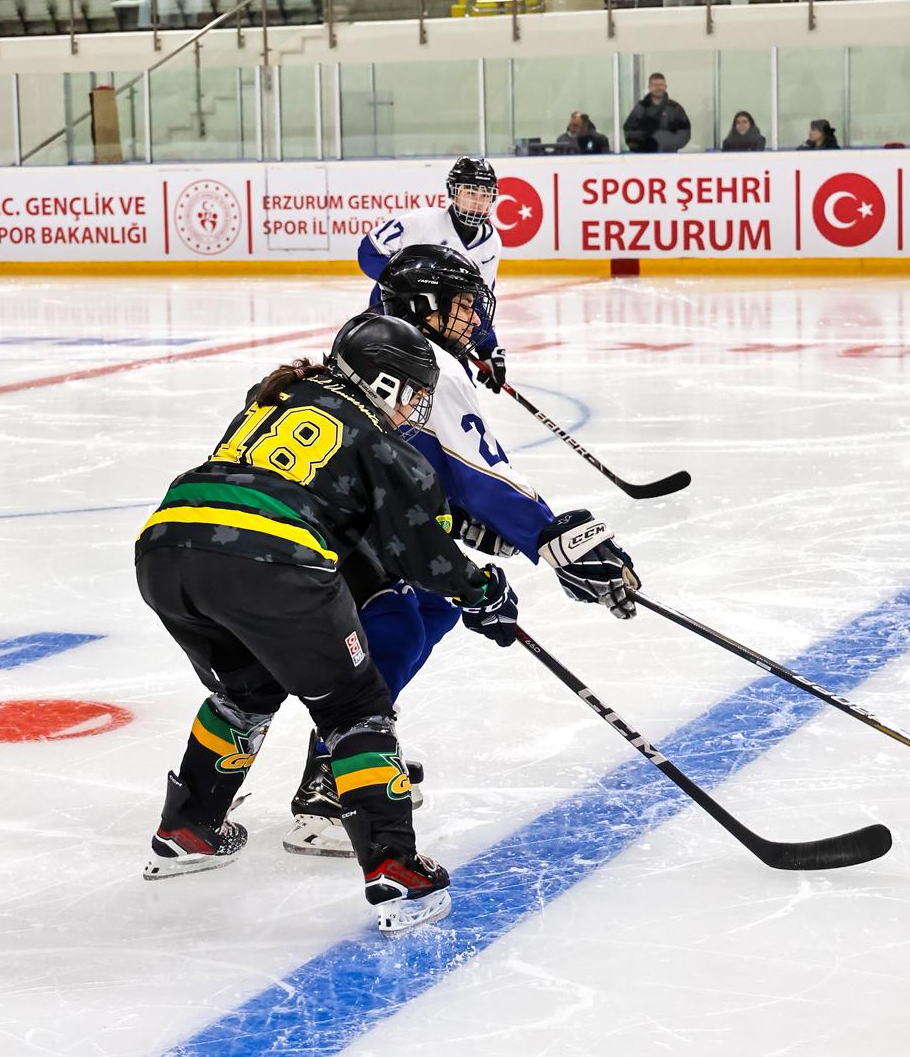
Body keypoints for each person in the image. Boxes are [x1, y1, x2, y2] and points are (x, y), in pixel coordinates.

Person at [136, 312, 523, 937]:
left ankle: (188, 829)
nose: (416, 407)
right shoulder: (379, 437)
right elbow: (418, 553)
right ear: (384, 381)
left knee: (246, 690)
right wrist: (480, 590)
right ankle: (395, 871)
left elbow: (327, 499)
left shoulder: (278, 396)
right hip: (269, 559)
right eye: (413, 392)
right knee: (356, 708)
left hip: (167, 548)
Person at [283, 244, 641, 858]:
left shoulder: (395, 354)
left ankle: (360, 748)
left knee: (433, 607)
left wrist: (475, 530)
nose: (474, 317)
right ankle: (329, 783)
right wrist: (553, 539)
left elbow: (428, 470)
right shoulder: (436, 370)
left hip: (331, 517)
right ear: (423, 308)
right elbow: (478, 473)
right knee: (398, 620)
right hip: (325, 527)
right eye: (462, 305)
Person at [359, 156, 507, 392]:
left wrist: (488, 349)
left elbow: (476, 302)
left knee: (460, 387)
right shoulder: (424, 222)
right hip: (395, 317)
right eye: (470, 193)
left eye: (485, 195)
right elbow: (369, 251)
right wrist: (408, 289)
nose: (478, 202)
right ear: (453, 192)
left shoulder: (490, 243)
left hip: (446, 326)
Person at [623, 73, 692, 153]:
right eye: (655, 85)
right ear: (649, 87)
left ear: (665, 87)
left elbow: (685, 132)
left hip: (669, 156)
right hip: (644, 156)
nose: (658, 88)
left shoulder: (675, 108)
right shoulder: (641, 107)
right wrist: (642, 146)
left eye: (661, 85)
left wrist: (667, 144)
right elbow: (629, 130)